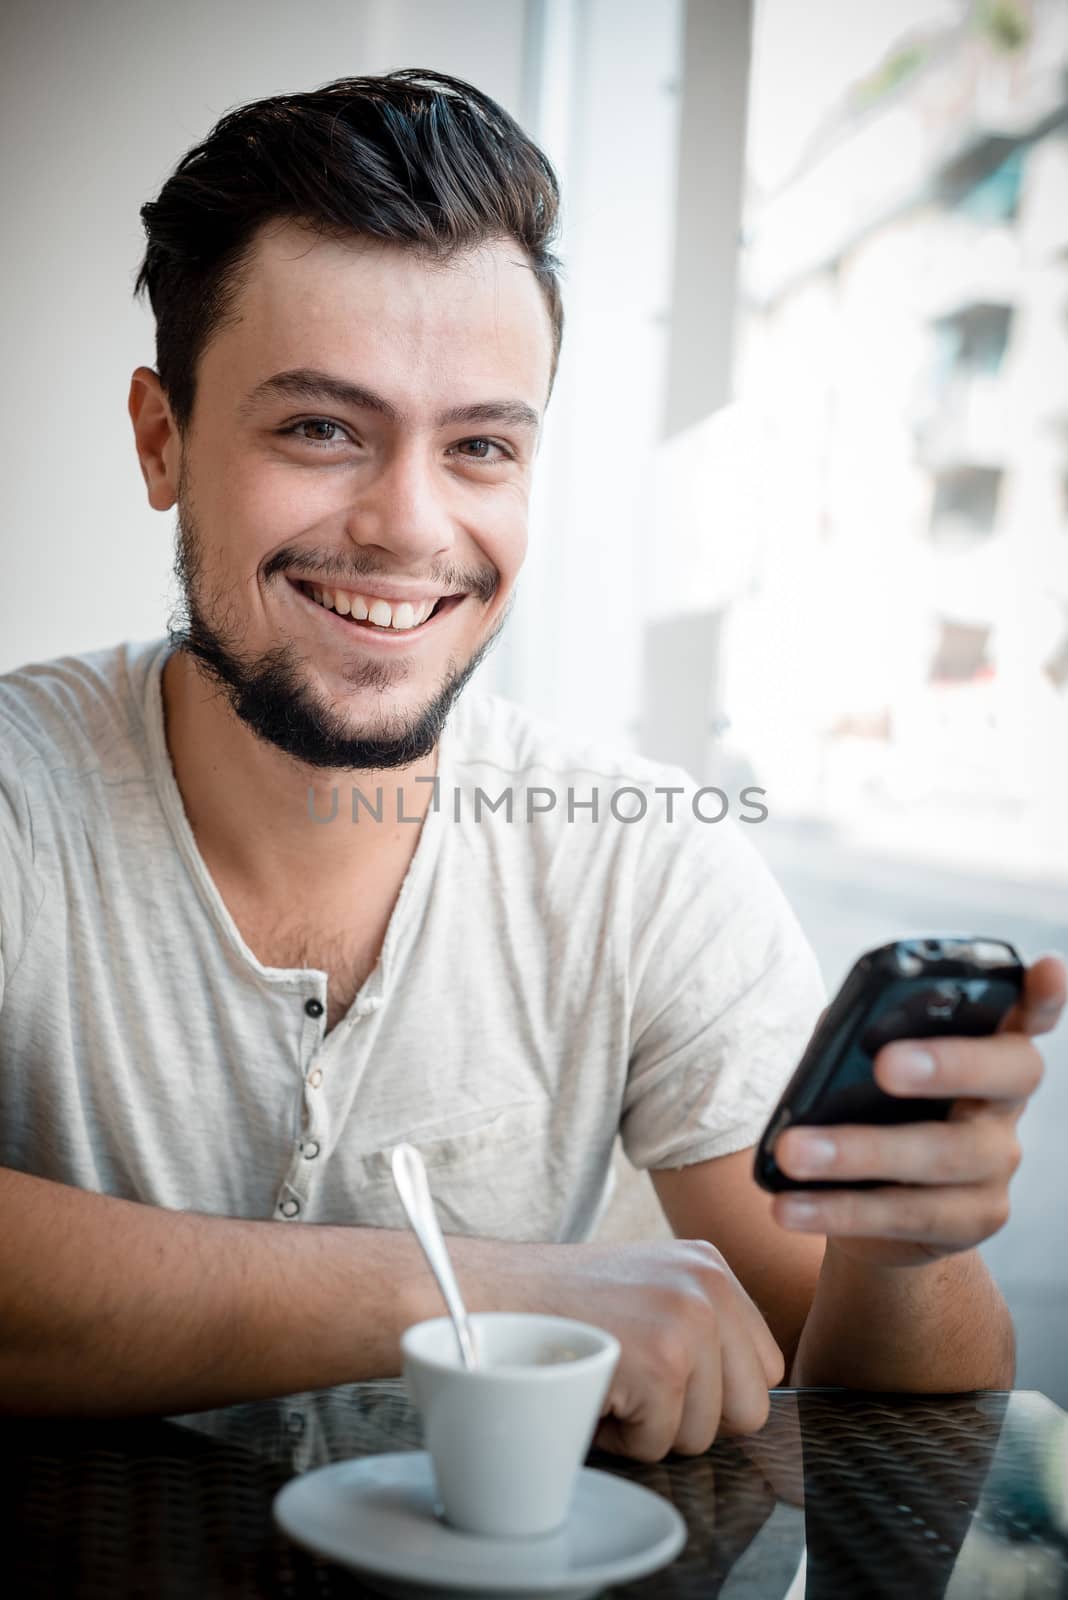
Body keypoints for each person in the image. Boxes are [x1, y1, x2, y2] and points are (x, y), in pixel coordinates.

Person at [0, 69, 1061, 1461]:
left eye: (482, 445)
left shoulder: (641, 855)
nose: (409, 526)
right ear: (165, 440)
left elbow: (895, 1413)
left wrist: (905, 1256)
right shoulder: (24, 794)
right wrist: (471, 1294)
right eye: (321, 428)